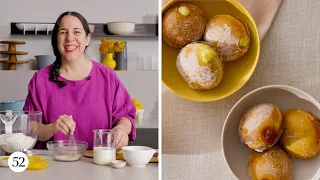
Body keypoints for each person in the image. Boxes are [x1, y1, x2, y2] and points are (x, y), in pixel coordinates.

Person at [23, 11, 136, 150]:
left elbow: (125, 115)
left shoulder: (107, 76)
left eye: (76, 32)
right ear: (56, 39)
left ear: (87, 38)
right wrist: (52, 128)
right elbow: (31, 127)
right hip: (53, 164)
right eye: (63, 32)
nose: (70, 38)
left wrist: (122, 129)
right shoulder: (39, 80)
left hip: (99, 162)